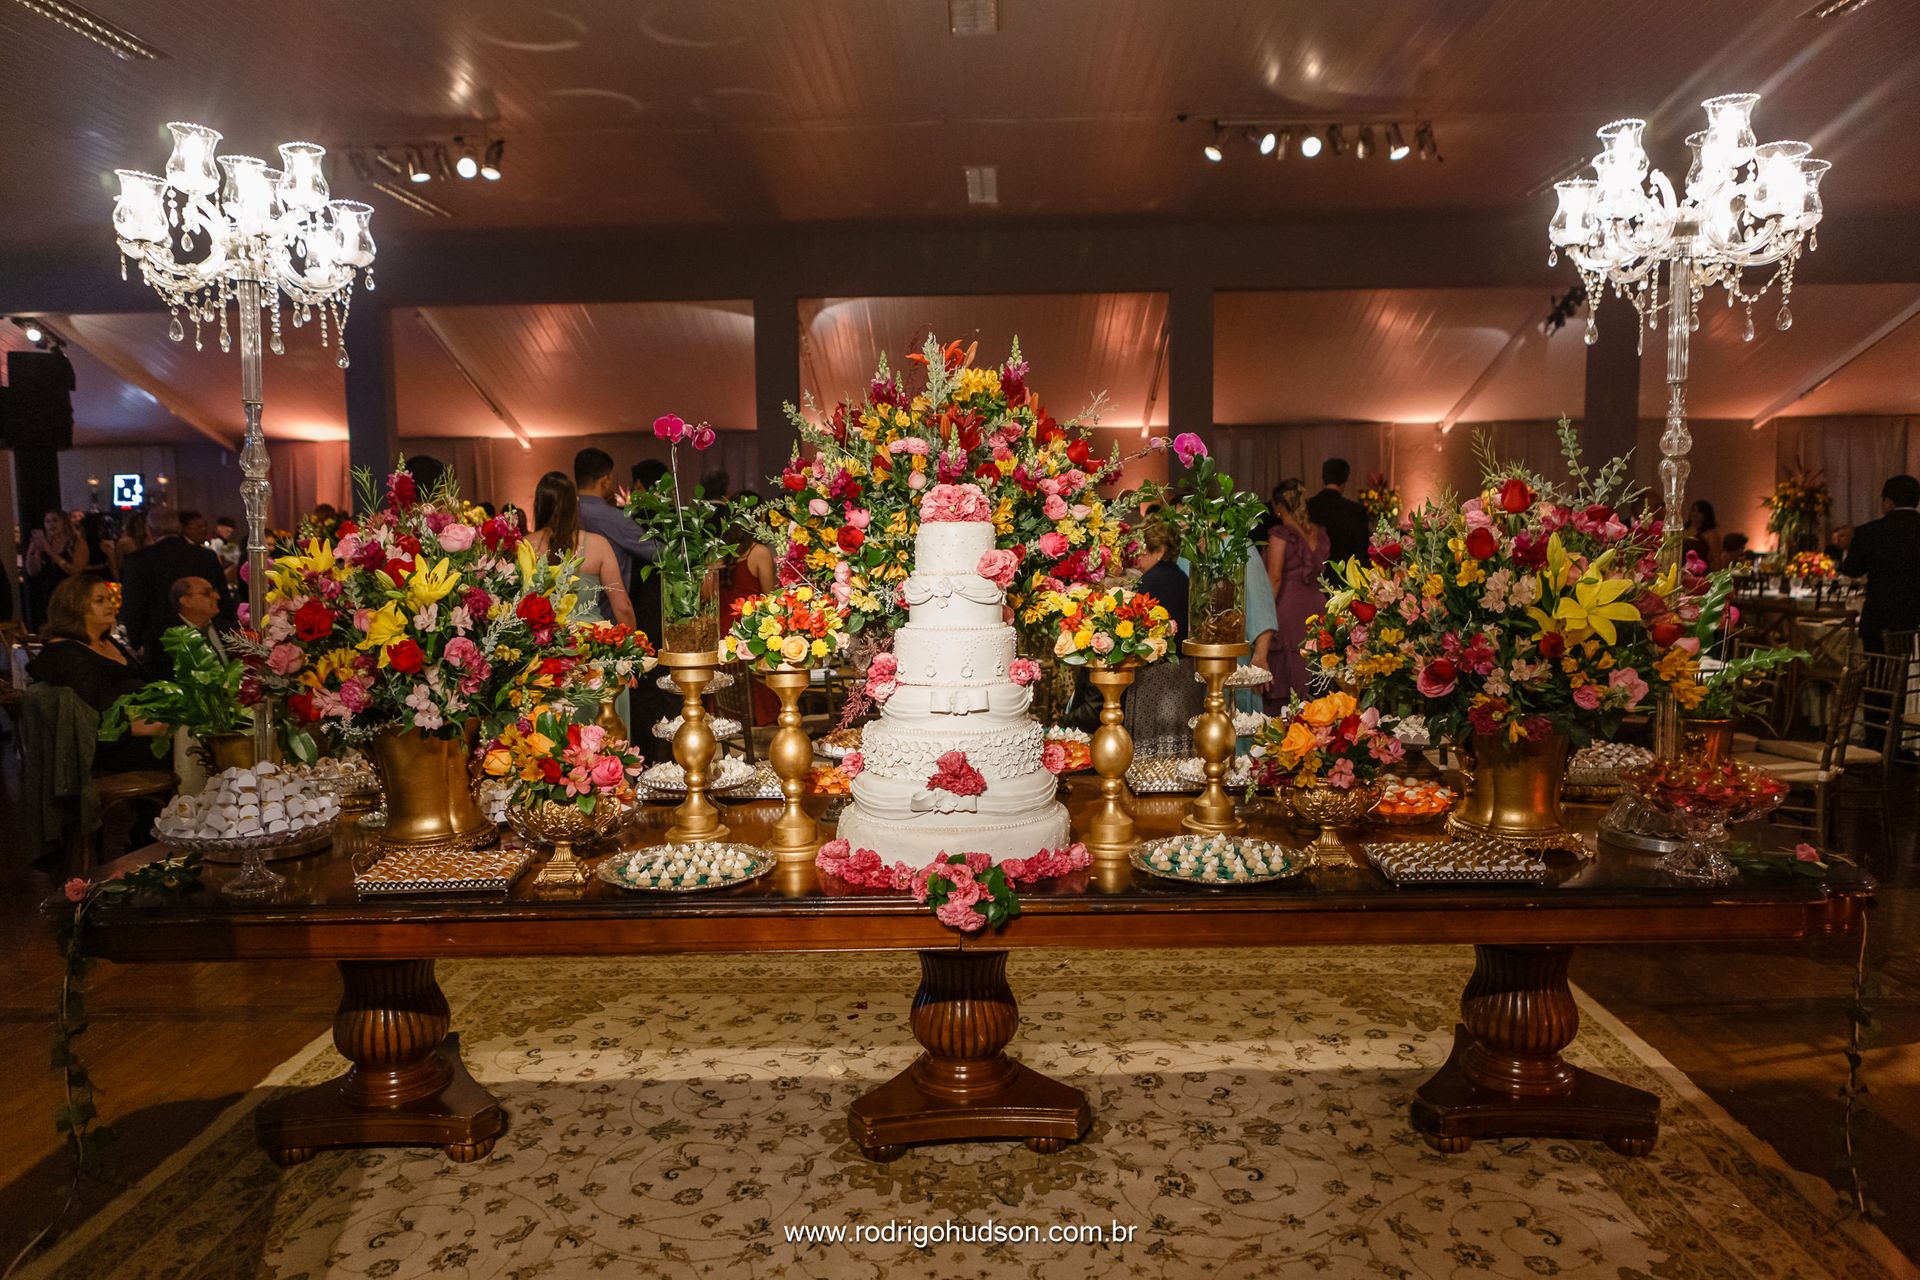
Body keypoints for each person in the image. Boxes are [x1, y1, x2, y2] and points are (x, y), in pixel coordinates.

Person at [26, 575, 167, 773]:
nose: (110, 605)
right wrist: (146, 725)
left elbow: (144, 680)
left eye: (109, 599)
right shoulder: (65, 653)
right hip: (111, 747)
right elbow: (91, 717)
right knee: (190, 747)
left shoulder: (107, 641)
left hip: (143, 726)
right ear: (74, 607)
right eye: (100, 601)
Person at [1124, 519, 1201, 760]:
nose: (1138, 558)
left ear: (1160, 551)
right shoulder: (1182, 578)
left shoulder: (1151, 581)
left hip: (1158, 676)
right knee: (1181, 744)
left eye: (1143, 551)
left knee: (1153, 746)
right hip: (1187, 672)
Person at [119, 507, 233, 663]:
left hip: (159, 642)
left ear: (149, 530)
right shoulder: (205, 556)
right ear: (179, 528)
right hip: (204, 636)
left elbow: (133, 604)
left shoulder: (139, 559)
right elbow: (223, 599)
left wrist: (136, 641)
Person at [529, 472, 636, 629]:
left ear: (538, 505)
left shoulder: (524, 546)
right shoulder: (598, 545)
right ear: (576, 503)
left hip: (541, 641)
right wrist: (633, 640)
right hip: (592, 640)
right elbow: (623, 607)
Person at [1264, 478, 1329, 711]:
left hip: (1288, 607)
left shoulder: (1280, 534)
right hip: (1317, 606)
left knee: (1290, 664)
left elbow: (1274, 578)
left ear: (1278, 507)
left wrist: (1264, 613)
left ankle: (1291, 718)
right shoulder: (1319, 532)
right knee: (1314, 662)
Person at [719, 490, 780, 725]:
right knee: (758, 694)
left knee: (727, 697)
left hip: (722, 633)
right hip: (748, 631)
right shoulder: (759, 553)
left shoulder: (718, 553)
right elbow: (769, 599)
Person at [1841, 475, 1920, 653]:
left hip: (1879, 618)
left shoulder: (1868, 532)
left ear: (1888, 501)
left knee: (1877, 666)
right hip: (1915, 619)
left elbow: (1852, 569)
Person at [143, 576, 225, 680]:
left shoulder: (227, 628)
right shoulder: (164, 638)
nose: (217, 596)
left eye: (214, 591)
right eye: (207, 593)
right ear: (186, 601)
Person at [24, 510, 90, 631]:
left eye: (55, 520)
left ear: (64, 522)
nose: (51, 525)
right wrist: (32, 550)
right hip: (48, 596)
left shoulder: (77, 543)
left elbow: (75, 572)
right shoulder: (46, 543)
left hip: (69, 595)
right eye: (47, 521)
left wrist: (50, 552)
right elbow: (32, 571)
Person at [1305, 458, 1370, 570]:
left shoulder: (1307, 506)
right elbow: (1362, 553)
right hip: (1344, 575)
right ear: (1344, 481)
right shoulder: (1355, 511)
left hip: (1312, 573)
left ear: (1322, 479)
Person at [1682, 500, 1717, 568]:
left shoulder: (1710, 534)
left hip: (1700, 569)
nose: (1695, 514)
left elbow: (1715, 558)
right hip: (1681, 568)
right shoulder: (1682, 530)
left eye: (1699, 512)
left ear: (1705, 515)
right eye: (1693, 510)